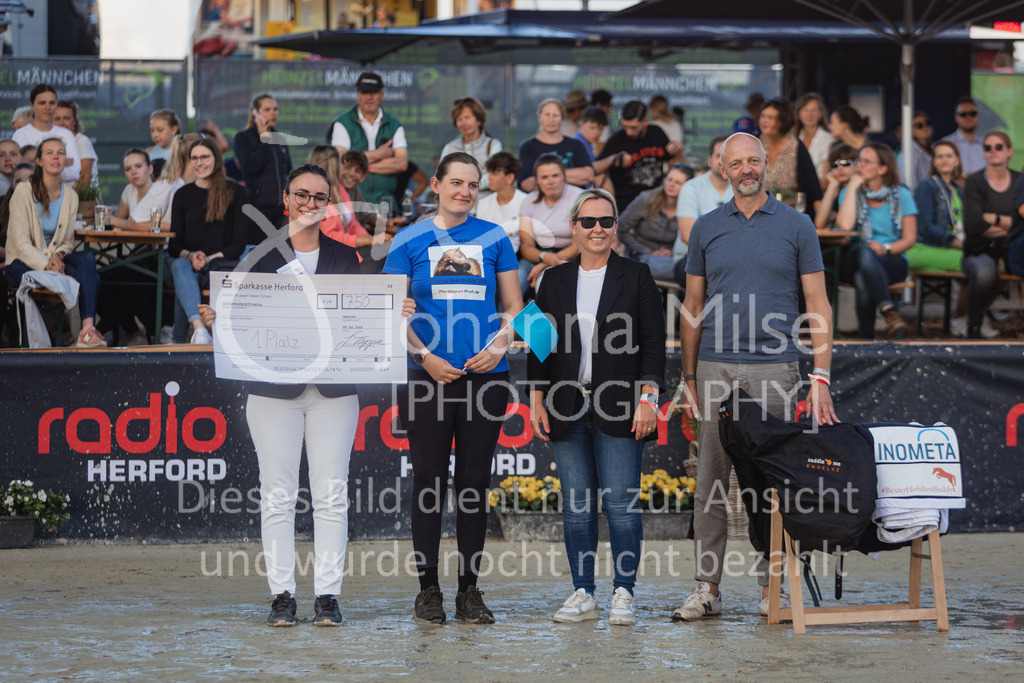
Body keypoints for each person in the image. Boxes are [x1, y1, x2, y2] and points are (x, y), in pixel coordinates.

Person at [198, 164, 416, 627]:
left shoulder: (345, 256)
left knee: (331, 494)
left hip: (334, 392)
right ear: (286, 197)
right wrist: (218, 321)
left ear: (329, 204)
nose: (310, 204)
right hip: (273, 391)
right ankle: (281, 596)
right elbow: (239, 316)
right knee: (277, 494)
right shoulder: (259, 255)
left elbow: (364, 322)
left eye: (320, 197)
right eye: (302, 194)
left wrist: (395, 312)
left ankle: (328, 597)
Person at [675, 132, 836, 622]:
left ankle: (773, 587)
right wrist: (687, 377)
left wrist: (821, 376)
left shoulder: (797, 224)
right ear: (722, 169)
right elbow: (694, 308)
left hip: (777, 367)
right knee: (711, 483)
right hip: (714, 367)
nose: (746, 169)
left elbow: (818, 304)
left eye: (754, 161)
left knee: (772, 482)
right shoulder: (705, 228)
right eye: (736, 162)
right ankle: (707, 589)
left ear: (767, 164)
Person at [384, 151, 523, 624]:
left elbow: (514, 307)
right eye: (456, 182)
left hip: (486, 377)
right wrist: (424, 356)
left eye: (472, 184)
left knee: (472, 486)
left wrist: (501, 344)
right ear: (437, 185)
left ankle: (469, 590)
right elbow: (389, 311)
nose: (464, 191)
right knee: (428, 483)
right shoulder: (408, 239)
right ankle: (428, 591)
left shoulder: (495, 236)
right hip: (426, 376)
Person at [528, 187, 666, 626]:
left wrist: (649, 400)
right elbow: (539, 345)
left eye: (606, 221)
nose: (598, 229)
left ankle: (623, 593)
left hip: (622, 405)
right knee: (577, 505)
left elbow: (653, 346)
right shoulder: (554, 279)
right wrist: (536, 397)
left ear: (615, 227)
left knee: (623, 505)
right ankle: (583, 593)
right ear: (574, 227)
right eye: (588, 222)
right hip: (566, 403)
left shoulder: (638, 275)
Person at [3, 137, 103, 347]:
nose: (56, 157)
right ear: (39, 161)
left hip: (53, 266)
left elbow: (66, 242)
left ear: (66, 160)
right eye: (49, 153)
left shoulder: (71, 196)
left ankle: (87, 329)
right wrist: (48, 263)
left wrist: (59, 255)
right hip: (23, 263)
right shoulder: (23, 191)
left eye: (60, 152)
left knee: (87, 259)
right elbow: (20, 244)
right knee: (89, 279)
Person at [167, 138, 247, 344]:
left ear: (216, 159)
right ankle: (199, 328)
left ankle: (179, 340)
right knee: (180, 266)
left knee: (183, 283)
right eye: (194, 158)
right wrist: (192, 256)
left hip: (220, 265)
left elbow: (238, 244)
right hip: (187, 265)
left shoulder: (235, 192)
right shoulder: (182, 194)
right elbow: (174, 246)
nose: (199, 163)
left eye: (204, 157)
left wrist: (207, 259)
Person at [836, 142, 917, 339]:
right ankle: (888, 309)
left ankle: (865, 338)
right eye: (859, 161)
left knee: (863, 277)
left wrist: (885, 248)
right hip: (854, 257)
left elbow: (909, 239)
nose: (859, 165)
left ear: (882, 168)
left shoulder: (902, 195)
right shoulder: (849, 192)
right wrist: (853, 185)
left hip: (891, 258)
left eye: (866, 161)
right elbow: (846, 226)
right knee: (865, 251)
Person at [963, 131, 1021, 339]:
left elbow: (1019, 223)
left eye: (998, 147)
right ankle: (974, 326)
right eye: (988, 147)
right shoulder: (974, 182)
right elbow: (973, 224)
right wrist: (1009, 223)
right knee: (985, 273)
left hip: (1012, 248)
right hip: (980, 248)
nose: (993, 151)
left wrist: (993, 218)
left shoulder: (1019, 180)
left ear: (1009, 151)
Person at [330, 71, 408, 206]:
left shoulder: (394, 124)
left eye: (374, 92)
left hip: (386, 204)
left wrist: (363, 166)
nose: (369, 97)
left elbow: (401, 163)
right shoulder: (342, 122)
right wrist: (378, 154)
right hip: (351, 204)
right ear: (357, 95)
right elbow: (341, 161)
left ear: (382, 94)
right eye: (365, 92)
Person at [597, 100, 680, 212]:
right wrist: (612, 159)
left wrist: (676, 149)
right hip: (626, 204)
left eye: (633, 127)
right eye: (625, 126)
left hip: (655, 202)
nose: (629, 132)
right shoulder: (616, 140)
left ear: (645, 121)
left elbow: (672, 160)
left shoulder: (657, 133)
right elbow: (594, 168)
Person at [517, 154, 583, 294]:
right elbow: (526, 246)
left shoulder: (579, 198)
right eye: (544, 177)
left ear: (564, 176)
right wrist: (544, 258)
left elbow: (577, 246)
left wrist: (545, 263)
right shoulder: (528, 201)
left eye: (555, 175)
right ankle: (507, 316)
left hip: (570, 255)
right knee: (514, 281)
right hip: (537, 254)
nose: (550, 181)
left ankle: (547, 317)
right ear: (537, 181)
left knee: (547, 282)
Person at [234, 94, 293, 244]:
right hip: (259, 209)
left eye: (275, 109)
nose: (273, 113)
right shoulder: (243, 138)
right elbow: (250, 167)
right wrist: (264, 139)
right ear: (255, 113)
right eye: (267, 109)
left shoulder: (280, 138)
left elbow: (289, 171)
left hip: (282, 209)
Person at [674, 136, 733, 286]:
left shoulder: (741, 188)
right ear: (709, 160)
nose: (722, 161)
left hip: (733, 256)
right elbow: (688, 235)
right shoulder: (691, 187)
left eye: (727, 156)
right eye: (718, 155)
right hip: (690, 257)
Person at [618, 164, 691, 280]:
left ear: (688, 187)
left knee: (691, 270)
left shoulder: (690, 208)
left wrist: (671, 252)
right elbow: (620, 229)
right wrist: (648, 251)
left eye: (677, 183)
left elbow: (690, 239)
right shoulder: (647, 199)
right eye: (669, 179)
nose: (671, 185)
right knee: (688, 273)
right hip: (639, 255)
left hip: (670, 258)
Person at [758, 98, 823, 216]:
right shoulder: (755, 144)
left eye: (771, 118)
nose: (764, 121)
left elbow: (813, 187)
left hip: (791, 215)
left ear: (782, 121)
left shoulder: (796, 147)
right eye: (763, 116)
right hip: (758, 214)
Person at [516, 99, 594, 192]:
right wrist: (572, 176)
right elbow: (527, 184)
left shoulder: (576, 145)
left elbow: (588, 175)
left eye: (555, 115)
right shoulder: (528, 148)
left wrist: (545, 177)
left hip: (574, 204)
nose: (551, 119)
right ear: (539, 117)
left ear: (562, 118)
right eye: (547, 115)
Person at [11, 84, 81, 184]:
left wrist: (37, 163)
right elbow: (21, 172)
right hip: (30, 196)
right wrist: (61, 163)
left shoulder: (66, 134)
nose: (47, 107)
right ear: (32, 105)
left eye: (52, 103)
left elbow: (74, 173)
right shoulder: (21, 134)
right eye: (42, 103)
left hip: (62, 196)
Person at [439, 97, 502, 195]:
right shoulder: (450, 147)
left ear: (479, 120)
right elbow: (441, 177)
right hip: (457, 207)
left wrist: (461, 186)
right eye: (459, 119)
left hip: (485, 207)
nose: (463, 123)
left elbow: (494, 176)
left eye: (467, 118)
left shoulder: (493, 145)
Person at [476, 151, 526, 253]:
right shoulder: (483, 203)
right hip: (490, 255)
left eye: (495, 173)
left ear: (509, 178)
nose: (489, 177)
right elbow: (481, 238)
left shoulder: (526, 201)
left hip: (519, 257)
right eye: (489, 173)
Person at [53, 100, 97, 189]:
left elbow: (84, 181)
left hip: (82, 200)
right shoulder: (49, 144)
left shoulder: (82, 141)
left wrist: (71, 201)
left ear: (75, 121)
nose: (61, 123)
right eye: (57, 119)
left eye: (66, 118)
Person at [814, 143, 858, 230]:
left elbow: (846, 228)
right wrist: (832, 185)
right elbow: (819, 223)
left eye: (845, 163)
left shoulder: (860, 190)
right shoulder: (838, 192)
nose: (840, 168)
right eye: (835, 164)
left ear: (856, 165)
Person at [793, 93, 833, 182]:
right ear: (799, 114)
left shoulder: (828, 140)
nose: (809, 114)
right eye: (805, 110)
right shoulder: (793, 140)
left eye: (814, 110)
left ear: (820, 114)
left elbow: (825, 180)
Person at [941, 96, 985, 175]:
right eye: (963, 114)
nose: (968, 117)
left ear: (978, 116)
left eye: (972, 114)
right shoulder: (945, 144)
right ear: (956, 118)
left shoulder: (986, 145)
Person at [898, 111, 933, 190]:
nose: (925, 127)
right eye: (919, 126)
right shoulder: (909, 152)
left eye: (928, 123)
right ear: (910, 130)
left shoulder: (931, 149)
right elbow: (908, 186)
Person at [147, 109, 181, 176]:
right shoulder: (148, 152)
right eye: (152, 130)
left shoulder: (182, 151)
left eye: (160, 130)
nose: (155, 135)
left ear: (174, 130)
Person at [649, 94, 684, 159]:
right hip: (674, 161)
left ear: (652, 109)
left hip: (661, 160)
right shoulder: (676, 124)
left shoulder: (653, 126)